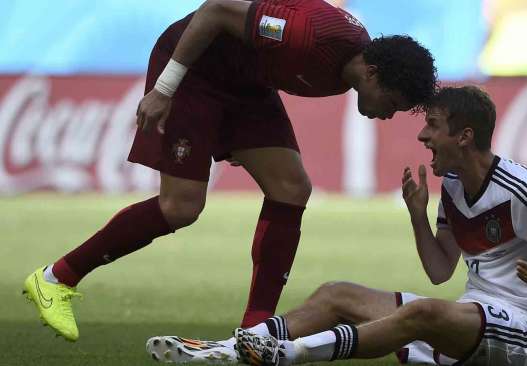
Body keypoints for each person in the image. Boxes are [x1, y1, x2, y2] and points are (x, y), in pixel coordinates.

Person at [22, 0, 437, 342]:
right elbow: (217, 11)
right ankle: (56, 278)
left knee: (291, 187)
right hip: (197, 73)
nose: (388, 115)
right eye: (393, 103)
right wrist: (164, 89)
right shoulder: (306, 37)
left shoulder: (346, 71)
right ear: (373, 74)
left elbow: (268, 65)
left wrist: (237, 138)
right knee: (181, 207)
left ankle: (256, 329)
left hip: (245, 86)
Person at [144, 86, 527, 365]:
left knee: (422, 315)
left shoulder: (520, 189)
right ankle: (228, 350)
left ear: (464, 137)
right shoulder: (452, 186)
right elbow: (440, 270)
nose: (423, 135)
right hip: (473, 315)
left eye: (434, 126)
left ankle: (285, 355)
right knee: (336, 293)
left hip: (522, 330)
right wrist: (418, 217)